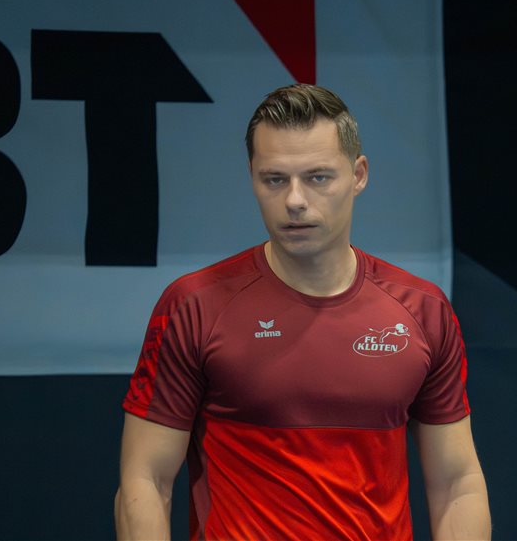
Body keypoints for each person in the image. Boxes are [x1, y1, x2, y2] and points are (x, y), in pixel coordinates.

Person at [114, 84, 491, 540]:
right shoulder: (194, 306)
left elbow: (457, 485)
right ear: (252, 176)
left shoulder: (423, 311)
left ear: (358, 175)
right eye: (275, 179)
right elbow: (146, 481)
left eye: (318, 178)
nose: (294, 200)